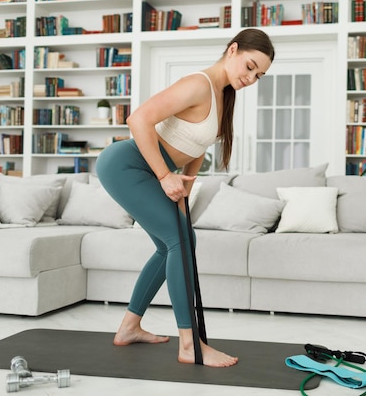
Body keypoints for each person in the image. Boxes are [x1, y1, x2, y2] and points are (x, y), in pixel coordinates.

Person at [95, 28, 275, 368]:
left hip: (150, 171)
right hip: (127, 165)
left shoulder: (222, 95)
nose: (251, 78)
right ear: (232, 50)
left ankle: (129, 328)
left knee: (171, 244)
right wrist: (164, 176)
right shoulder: (199, 83)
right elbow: (139, 120)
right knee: (181, 242)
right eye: (250, 66)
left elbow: (197, 145)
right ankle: (190, 345)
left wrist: (185, 189)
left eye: (259, 75)